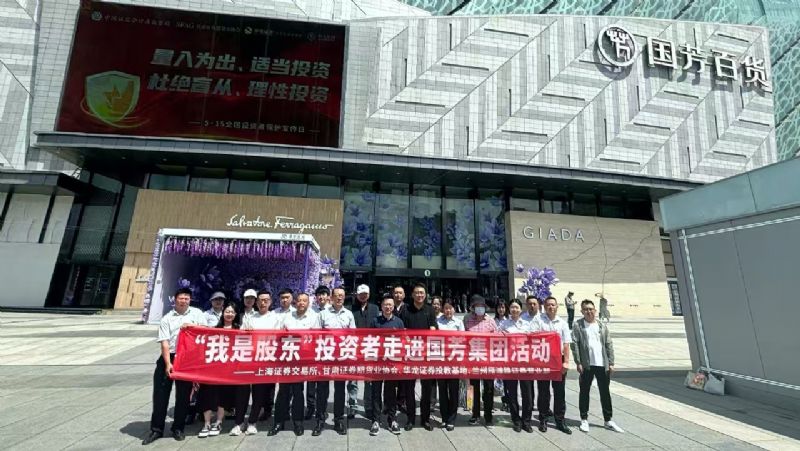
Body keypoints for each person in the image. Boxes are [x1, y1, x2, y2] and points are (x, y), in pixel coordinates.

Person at [142, 288, 205, 445]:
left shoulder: (197, 314)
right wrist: (168, 363)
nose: (183, 301)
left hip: (187, 359)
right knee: (160, 395)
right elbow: (164, 342)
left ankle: (178, 428)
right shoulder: (167, 318)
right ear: (175, 300)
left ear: (190, 300)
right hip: (169, 357)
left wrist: (192, 326)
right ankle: (156, 429)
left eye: (186, 298)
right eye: (181, 298)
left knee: (183, 396)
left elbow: (205, 331)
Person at [269, 292, 320, 437]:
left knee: (298, 391)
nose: (301, 303)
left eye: (304, 301)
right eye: (299, 300)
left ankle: (298, 422)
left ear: (308, 303)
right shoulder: (287, 317)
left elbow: (316, 338)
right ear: (295, 302)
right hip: (286, 358)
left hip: (302, 359)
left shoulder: (313, 318)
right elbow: (278, 335)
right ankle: (279, 422)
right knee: (283, 391)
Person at [572, 299, 624, 434]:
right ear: (582, 311)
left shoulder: (601, 325)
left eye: (591, 309)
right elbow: (575, 344)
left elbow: (608, 344)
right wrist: (578, 362)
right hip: (587, 365)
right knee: (584, 391)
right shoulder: (578, 325)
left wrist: (611, 362)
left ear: (595, 310)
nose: (588, 311)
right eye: (585, 309)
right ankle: (584, 419)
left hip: (602, 364)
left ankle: (608, 420)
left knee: (605, 392)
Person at [315, 286, 356, 436]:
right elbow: (316, 334)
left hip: (342, 357)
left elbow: (353, 334)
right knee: (322, 389)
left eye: (342, 296)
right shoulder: (323, 314)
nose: (339, 298)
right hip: (326, 356)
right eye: (337, 295)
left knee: (340, 390)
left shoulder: (349, 314)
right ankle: (320, 420)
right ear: (331, 298)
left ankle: (338, 420)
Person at [198, 301, 241, 438]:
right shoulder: (214, 329)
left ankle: (218, 422)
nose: (229, 314)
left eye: (232, 312)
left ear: (236, 314)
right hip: (213, 369)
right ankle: (206, 423)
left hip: (228, 370)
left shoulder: (239, 330)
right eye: (227, 311)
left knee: (224, 395)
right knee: (207, 393)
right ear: (223, 313)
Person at [399, 283, 438, 431]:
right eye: (417, 292)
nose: (419, 295)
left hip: (426, 355)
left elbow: (433, 328)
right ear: (412, 295)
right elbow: (402, 330)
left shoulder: (430, 310)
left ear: (425, 295)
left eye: (422, 292)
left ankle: (425, 419)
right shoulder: (406, 310)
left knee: (426, 389)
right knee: (409, 388)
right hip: (410, 354)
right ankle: (410, 419)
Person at [533, 296, 573, 434]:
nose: (551, 307)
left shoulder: (562, 323)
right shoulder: (538, 321)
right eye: (548, 305)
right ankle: (543, 419)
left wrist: (566, 361)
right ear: (544, 307)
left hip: (558, 360)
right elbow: (533, 338)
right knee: (543, 391)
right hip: (543, 359)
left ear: (557, 307)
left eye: (553, 305)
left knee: (559, 392)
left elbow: (566, 344)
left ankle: (560, 420)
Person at [245, 290, 282, 430]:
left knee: (268, 388)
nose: (263, 303)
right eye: (260, 300)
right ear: (256, 302)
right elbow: (241, 335)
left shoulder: (275, 318)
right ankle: (253, 419)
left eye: (266, 300)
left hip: (270, 357)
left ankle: (265, 411)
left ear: (270, 302)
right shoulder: (250, 317)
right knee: (257, 390)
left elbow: (279, 336)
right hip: (254, 358)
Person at [368, 296, 405, 436]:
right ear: (381, 306)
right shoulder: (375, 321)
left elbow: (403, 341)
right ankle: (375, 421)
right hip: (378, 363)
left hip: (392, 363)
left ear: (393, 307)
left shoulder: (398, 322)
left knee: (391, 393)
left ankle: (392, 419)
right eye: (385, 305)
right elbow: (369, 341)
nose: (388, 307)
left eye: (390, 305)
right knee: (376, 393)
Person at [498, 299, 535, 433]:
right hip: (510, 363)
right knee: (512, 394)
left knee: (527, 394)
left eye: (517, 307)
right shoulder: (503, 324)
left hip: (525, 363)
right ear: (509, 309)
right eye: (512, 307)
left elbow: (533, 341)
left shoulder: (527, 324)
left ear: (521, 309)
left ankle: (526, 421)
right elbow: (498, 341)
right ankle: (516, 420)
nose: (514, 310)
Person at [463, 294, 498, 427]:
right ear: (472, 308)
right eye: (477, 306)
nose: (479, 308)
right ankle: (475, 414)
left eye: (482, 306)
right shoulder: (467, 320)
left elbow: (497, 340)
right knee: (472, 388)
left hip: (487, 360)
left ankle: (488, 416)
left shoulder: (490, 321)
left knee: (488, 389)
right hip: (472, 360)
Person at [231, 288, 259, 436]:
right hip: (240, 356)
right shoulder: (237, 314)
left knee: (257, 391)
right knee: (241, 391)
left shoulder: (259, 315)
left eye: (252, 298)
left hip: (257, 356)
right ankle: (239, 422)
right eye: (247, 298)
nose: (249, 300)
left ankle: (252, 421)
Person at [350, 284, 378, 421]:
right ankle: (352, 405)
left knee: (369, 379)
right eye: (360, 294)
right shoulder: (350, 308)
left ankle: (368, 407)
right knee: (353, 379)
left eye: (365, 294)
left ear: (369, 294)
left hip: (370, 347)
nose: (363, 296)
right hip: (354, 346)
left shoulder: (375, 308)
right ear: (357, 295)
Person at [435, 300, 464, 431]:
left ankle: (452, 419)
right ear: (443, 309)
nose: (448, 311)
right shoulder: (438, 321)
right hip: (440, 361)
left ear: (454, 309)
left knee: (453, 390)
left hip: (454, 361)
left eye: (450, 308)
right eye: (446, 308)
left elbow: (464, 340)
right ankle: (444, 417)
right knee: (442, 391)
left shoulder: (459, 322)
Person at [306, 286, 333, 421]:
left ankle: (322, 408)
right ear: (316, 297)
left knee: (323, 382)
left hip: (326, 350)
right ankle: (310, 407)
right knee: (311, 381)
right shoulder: (310, 311)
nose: (321, 297)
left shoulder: (332, 311)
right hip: (312, 350)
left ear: (328, 297)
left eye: (324, 294)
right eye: (319, 295)